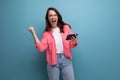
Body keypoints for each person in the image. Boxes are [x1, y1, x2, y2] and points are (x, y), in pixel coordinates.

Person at [28, 7, 78, 80]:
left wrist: (74, 42)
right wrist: (33, 33)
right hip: (52, 61)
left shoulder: (66, 28)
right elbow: (41, 48)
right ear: (48, 18)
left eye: (55, 15)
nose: (53, 17)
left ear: (58, 17)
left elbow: (70, 44)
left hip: (66, 59)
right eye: (50, 15)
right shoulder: (46, 34)